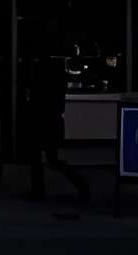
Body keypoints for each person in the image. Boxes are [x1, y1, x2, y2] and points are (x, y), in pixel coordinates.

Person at [16, 37, 92, 207]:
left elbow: (36, 96)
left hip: (42, 118)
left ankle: (40, 190)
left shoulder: (39, 71)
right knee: (51, 158)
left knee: (39, 156)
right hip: (52, 118)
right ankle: (78, 183)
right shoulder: (56, 71)